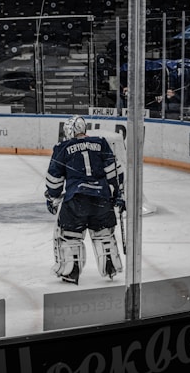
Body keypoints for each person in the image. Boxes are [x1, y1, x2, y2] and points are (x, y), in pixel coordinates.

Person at [45, 115, 125, 285]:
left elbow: (54, 179)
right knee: (104, 234)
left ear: (69, 131)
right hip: (102, 198)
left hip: (77, 199)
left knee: (70, 236)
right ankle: (110, 266)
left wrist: (52, 196)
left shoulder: (63, 147)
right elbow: (115, 172)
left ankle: (71, 271)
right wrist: (118, 194)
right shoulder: (101, 143)